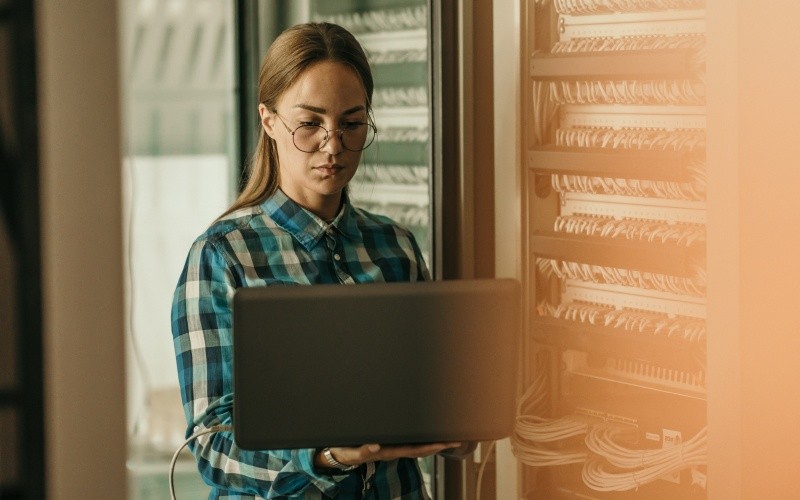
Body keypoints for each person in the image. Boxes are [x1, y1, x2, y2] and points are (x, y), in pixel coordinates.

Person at [171, 22, 462, 499]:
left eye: (351, 123)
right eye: (309, 124)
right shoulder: (222, 256)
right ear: (269, 121)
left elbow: (423, 399)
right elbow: (211, 446)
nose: (334, 145)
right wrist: (324, 457)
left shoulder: (396, 247)